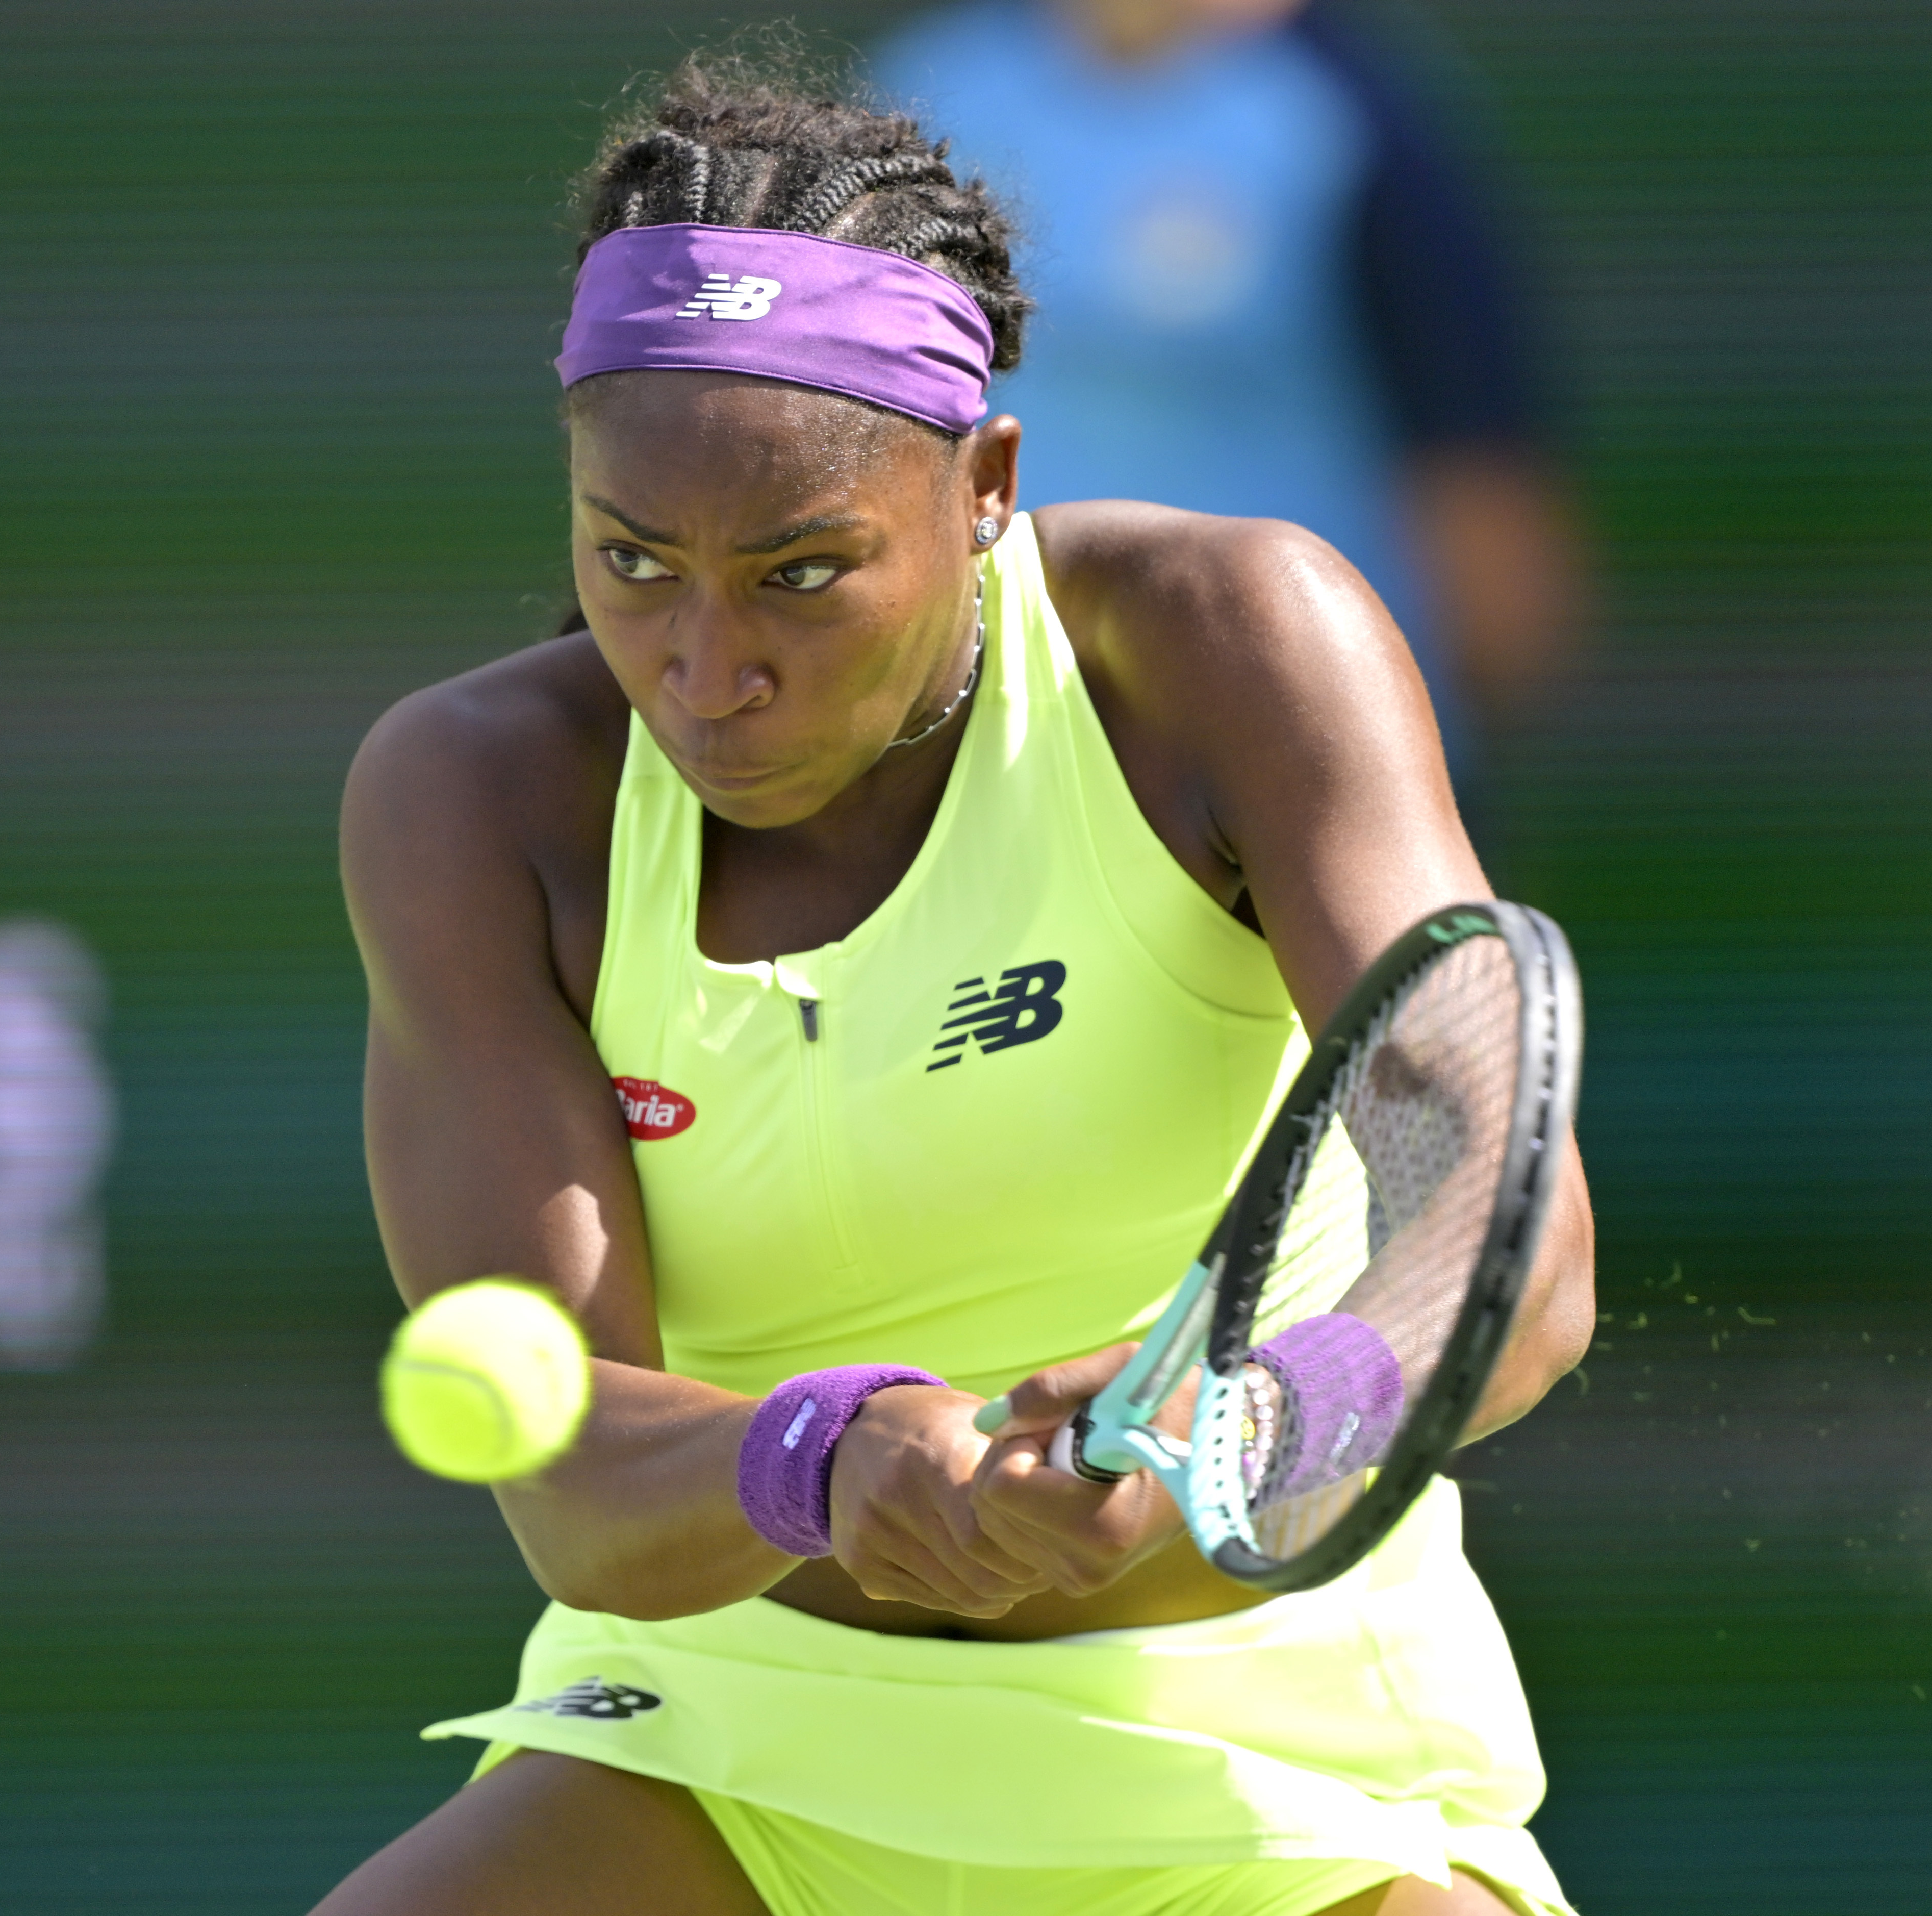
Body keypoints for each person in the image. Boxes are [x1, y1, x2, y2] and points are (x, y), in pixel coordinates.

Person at [324, 45, 1593, 1916]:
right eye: (630, 560)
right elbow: (574, 1468)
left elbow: (1513, 1251)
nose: (704, 664)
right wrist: (820, 1457)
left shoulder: (1232, 642)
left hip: (1276, 1753)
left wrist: (1231, 1431)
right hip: (731, 1735)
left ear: (984, 484)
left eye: (801, 571)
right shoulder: (473, 798)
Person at [871, 0, 1583, 810]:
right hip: (994, 766)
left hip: (1289, 775)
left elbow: (1484, 508)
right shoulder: (932, 84)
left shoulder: (1346, 110)